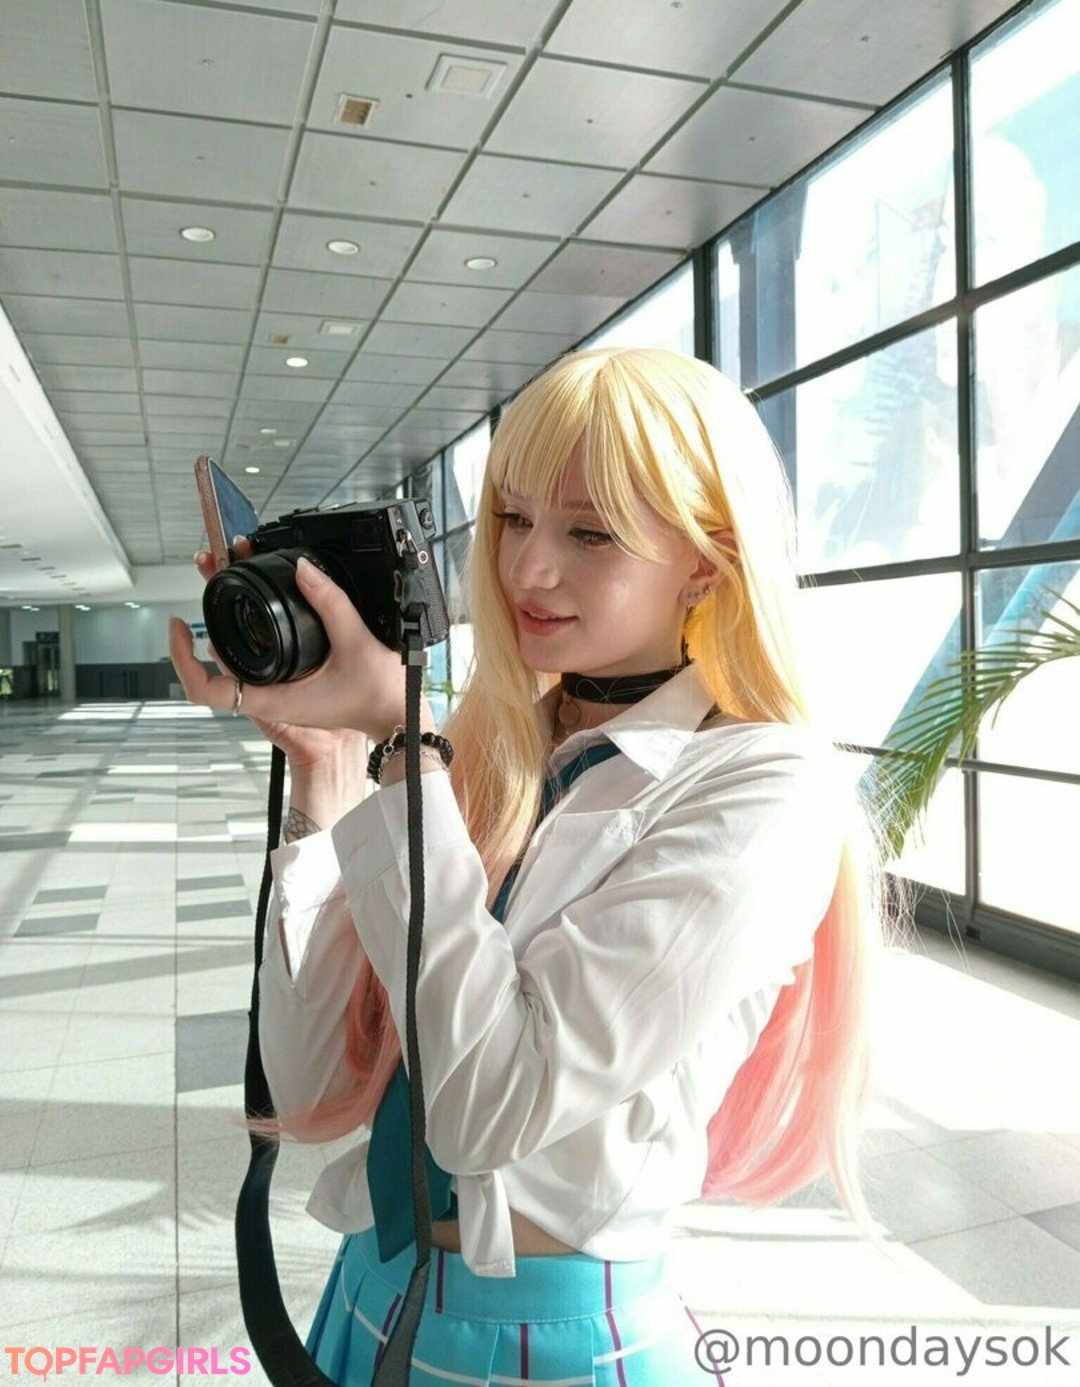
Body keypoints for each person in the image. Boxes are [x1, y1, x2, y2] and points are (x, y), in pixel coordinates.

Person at [170, 347, 880, 1386]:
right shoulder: (491, 750)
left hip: (549, 1340)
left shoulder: (764, 786)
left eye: (590, 532)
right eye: (512, 518)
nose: (527, 570)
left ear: (707, 561)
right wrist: (326, 766)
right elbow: (310, 1075)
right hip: (371, 1283)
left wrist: (402, 744)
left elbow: (483, 1111)